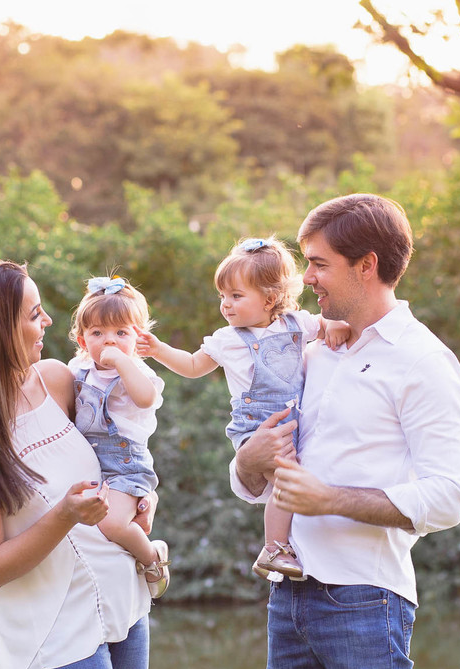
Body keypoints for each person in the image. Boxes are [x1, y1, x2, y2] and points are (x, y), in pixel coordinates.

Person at [230, 194, 460, 669]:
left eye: (319, 264)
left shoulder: (424, 362)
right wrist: (248, 461)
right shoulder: (308, 351)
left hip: (366, 598)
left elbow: (448, 498)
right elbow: (259, 472)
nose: (306, 278)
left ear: (367, 266)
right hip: (287, 595)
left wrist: (330, 499)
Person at [0, 260, 156, 669]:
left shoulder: (57, 380)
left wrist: (145, 499)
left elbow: (121, 450)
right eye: (34, 314)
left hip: (124, 603)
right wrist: (65, 515)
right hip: (58, 634)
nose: (48, 321)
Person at [135, 237, 348, 582]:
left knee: (291, 482)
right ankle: (273, 548)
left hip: (289, 423)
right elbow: (192, 365)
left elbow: (324, 325)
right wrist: (159, 350)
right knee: (286, 479)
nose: (226, 305)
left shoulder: (295, 323)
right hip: (255, 427)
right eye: (222, 296)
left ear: (270, 299)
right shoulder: (228, 339)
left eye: (236, 296)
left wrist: (334, 325)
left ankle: (288, 547)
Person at [67, 275, 171, 597]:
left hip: (126, 464)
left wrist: (123, 362)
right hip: (90, 461)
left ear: (138, 338)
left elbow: (145, 399)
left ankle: (152, 558)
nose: (109, 341)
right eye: (98, 333)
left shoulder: (139, 372)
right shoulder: (79, 370)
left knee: (111, 524)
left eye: (121, 333)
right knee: (89, 524)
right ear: (83, 340)